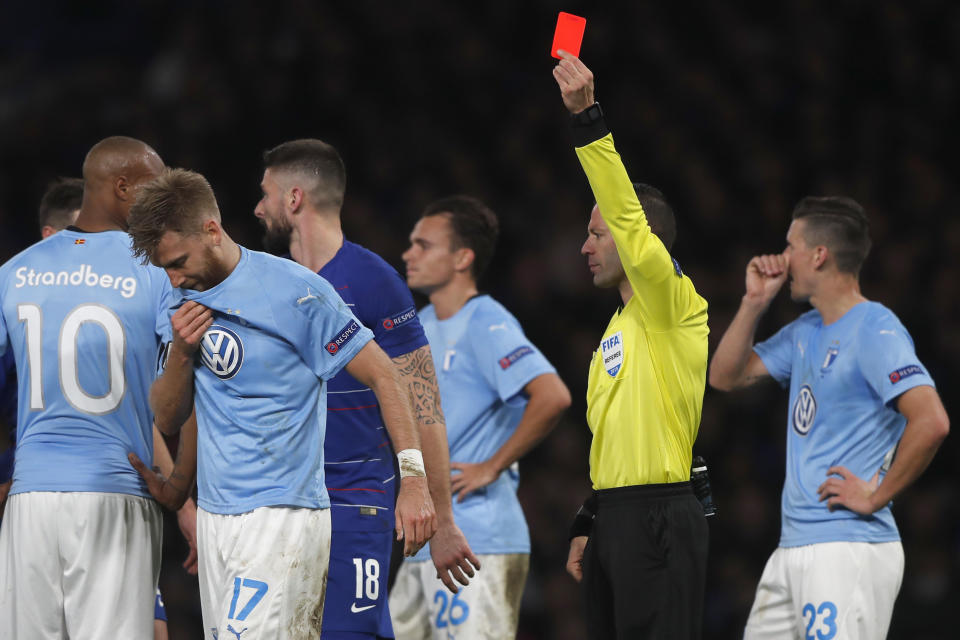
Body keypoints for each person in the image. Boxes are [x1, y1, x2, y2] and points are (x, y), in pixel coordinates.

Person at [127, 167, 437, 638]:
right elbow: (173, 413)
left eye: (178, 260)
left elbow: (385, 374)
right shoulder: (176, 299)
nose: (173, 275)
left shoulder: (295, 291)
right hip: (215, 518)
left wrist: (413, 480)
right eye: (164, 266)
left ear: (212, 230)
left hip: (283, 514)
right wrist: (183, 354)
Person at [254, 139, 479, 639]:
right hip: (278, 504)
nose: (257, 208)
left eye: (265, 194)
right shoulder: (263, 284)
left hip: (356, 503)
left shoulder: (375, 282)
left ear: (294, 199)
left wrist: (441, 517)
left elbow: (425, 404)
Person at [708, 196, 949, 638]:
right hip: (792, 548)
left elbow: (932, 421)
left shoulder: (875, 328)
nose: (782, 257)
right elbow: (724, 377)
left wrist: (876, 496)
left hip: (847, 546)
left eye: (791, 244)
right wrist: (753, 303)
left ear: (819, 255)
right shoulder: (806, 330)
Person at [0, 136, 192, 638]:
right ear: (122, 187)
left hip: (30, 502)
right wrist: (181, 485)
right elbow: (180, 394)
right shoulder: (157, 273)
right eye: (156, 188)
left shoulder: (14, 272)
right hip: (116, 493)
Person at [552, 53, 710, 639]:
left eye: (597, 234)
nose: (584, 246)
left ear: (635, 239)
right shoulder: (615, 332)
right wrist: (591, 517)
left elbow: (623, 211)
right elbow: (614, 443)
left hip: (661, 515)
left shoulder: (675, 304)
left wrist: (587, 119)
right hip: (617, 517)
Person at [390, 195, 571, 639]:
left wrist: (492, 466)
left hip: (479, 541)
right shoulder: (418, 326)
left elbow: (552, 395)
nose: (407, 254)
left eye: (423, 245)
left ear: (462, 258)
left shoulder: (486, 320)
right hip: (423, 545)